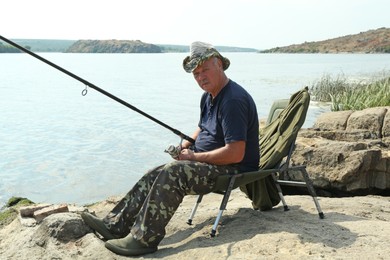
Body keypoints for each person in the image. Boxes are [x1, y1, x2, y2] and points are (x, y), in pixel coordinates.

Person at [81, 41, 260, 256]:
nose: (201, 77)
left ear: (219, 64)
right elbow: (203, 127)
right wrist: (185, 145)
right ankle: (115, 225)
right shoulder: (208, 96)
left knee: (173, 173)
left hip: (234, 168)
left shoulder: (233, 100)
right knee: (155, 172)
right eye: (195, 73)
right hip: (210, 162)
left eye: (205, 70)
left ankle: (144, 239)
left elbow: (236, 153)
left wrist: (194, 156)